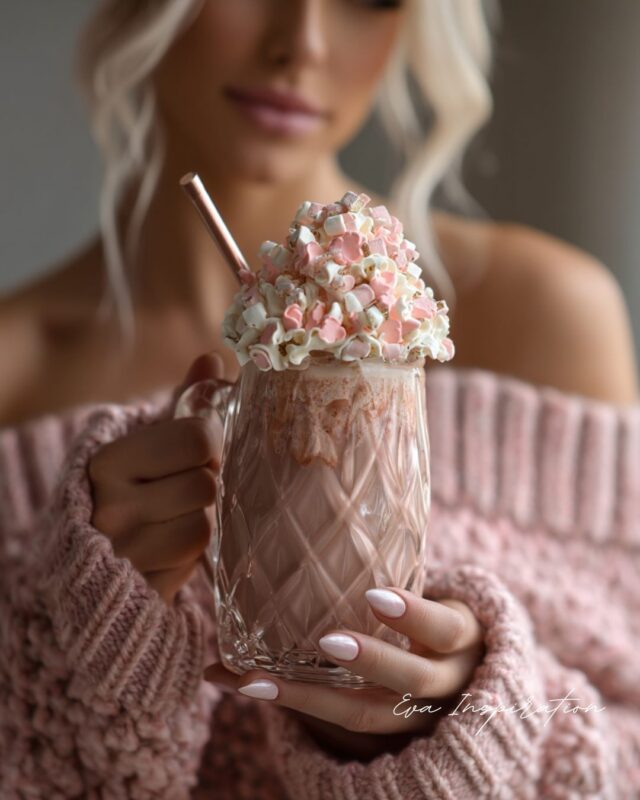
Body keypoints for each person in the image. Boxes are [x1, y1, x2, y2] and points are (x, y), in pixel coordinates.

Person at [0, 1, 639, 797]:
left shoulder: (543, 316)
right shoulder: (11, 374)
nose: (300, 42)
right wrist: (78, 651)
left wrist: (468, 731)